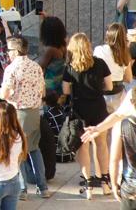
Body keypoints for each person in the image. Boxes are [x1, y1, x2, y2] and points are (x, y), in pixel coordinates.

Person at [0, 37, 48, 200]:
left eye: (9, 50)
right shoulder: (36, 67)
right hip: (34, 112)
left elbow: (5, 93)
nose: (7, 53)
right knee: (34, 149)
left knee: (16, 151)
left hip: (17, 113)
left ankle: (23, 189)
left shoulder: (11, 69)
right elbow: (43, 92)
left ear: (16, 51)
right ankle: (43, 187)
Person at [61, 32, 113, 198]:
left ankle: (89, 185)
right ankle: (105, 183)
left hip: (79, 109)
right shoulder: (100, 63)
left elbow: (66, 90)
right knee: (102, 144)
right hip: (98, 107)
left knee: (83, 147)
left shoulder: (70, 68)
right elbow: (109, 86)